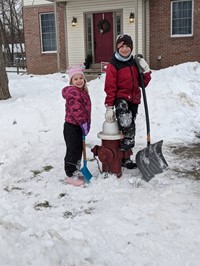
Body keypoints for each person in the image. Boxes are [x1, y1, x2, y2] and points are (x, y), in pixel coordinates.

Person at [104, 34, 152, 169]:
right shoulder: (114, 65)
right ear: (117, 48)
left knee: (127, 129)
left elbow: (143, 84)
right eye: (121, 46)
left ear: (131, 47)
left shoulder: (134, 63)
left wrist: (146, 70)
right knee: (126, 123)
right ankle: (127, 145)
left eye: (127, 46)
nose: (124, 49)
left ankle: (125, 158)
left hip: (134, 100)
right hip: (121, 98)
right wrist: (109, 106)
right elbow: (110, 86)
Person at [62, 65, 91, 186]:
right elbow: (77, 110)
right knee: (73, 150)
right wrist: (83, 123)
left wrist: (85, 123)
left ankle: (76, 169)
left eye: (81, 78)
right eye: (75, 79)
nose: (79, 81)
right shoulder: (73, 92)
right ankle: (71, 173)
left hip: (78, 125)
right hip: (72, 126)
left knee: (78, 149)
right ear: (71, 81)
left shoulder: (82, 91)